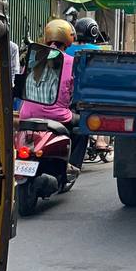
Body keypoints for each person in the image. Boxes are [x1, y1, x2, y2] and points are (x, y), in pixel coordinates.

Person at [21, 19, 83, 169]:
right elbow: (76, 89)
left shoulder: (33, 58)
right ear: (68, 39)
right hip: (57, 116)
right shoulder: (71, 62)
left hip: (27, 115)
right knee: (83, 127)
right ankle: (72, 166)